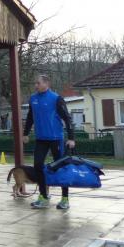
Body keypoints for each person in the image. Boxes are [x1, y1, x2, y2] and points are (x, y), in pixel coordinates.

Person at [23, 75, 76, 210]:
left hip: (55, 139)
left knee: (61, 168)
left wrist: (71, 138)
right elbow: (30, 117)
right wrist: (25, 133)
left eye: (38, 83)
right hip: (41, 139)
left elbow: (67, 119)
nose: (36, 85)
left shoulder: (56, 99)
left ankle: (65, 199)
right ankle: (43, 196)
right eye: (35, 83)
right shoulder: (33, 99)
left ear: (46, 83)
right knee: (37, 165)